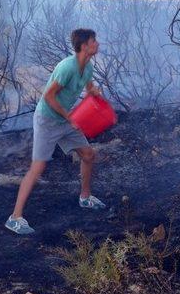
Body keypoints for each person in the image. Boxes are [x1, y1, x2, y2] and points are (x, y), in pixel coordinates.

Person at [6, 28, 106, 235]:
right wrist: (70, 118)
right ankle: (14, 218)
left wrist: (95, 93)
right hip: (47, 120)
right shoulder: (66, 67)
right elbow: (49, 96)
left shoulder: (87, 67)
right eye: (93, 41)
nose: (97, 44)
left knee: (88, 154)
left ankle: (85, 198)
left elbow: (88, 87)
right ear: (84, 46)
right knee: (38, 168)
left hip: (64, 119)